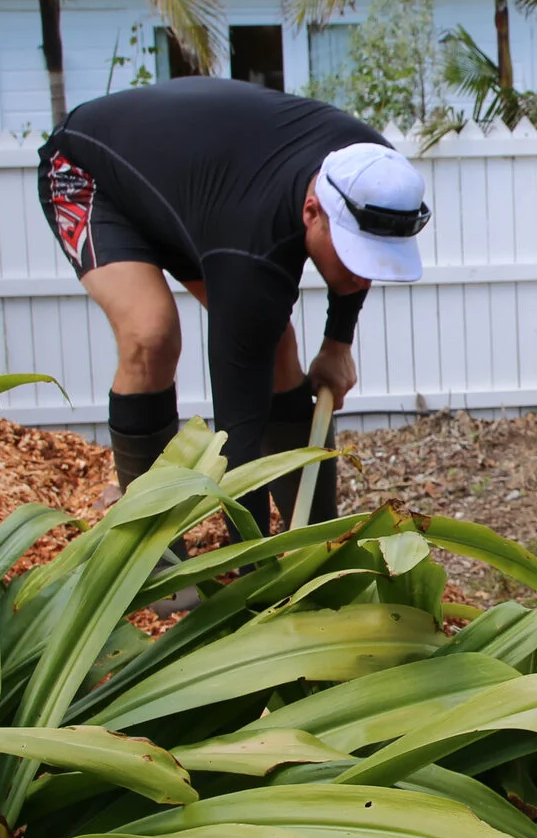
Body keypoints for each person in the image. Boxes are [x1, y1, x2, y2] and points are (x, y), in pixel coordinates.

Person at [35, 79, 430, 530]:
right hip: (91, 172)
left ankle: (321, 543)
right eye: (350, 252)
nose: (364, 275)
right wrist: (252, 580)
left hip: (201, 189)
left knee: (278, 346)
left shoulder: (375, 172)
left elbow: (361, 258)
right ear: (311, 212)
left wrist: (337, 343)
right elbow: (237, 433)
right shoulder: (252, 249)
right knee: (151, 334)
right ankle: (148, 554)